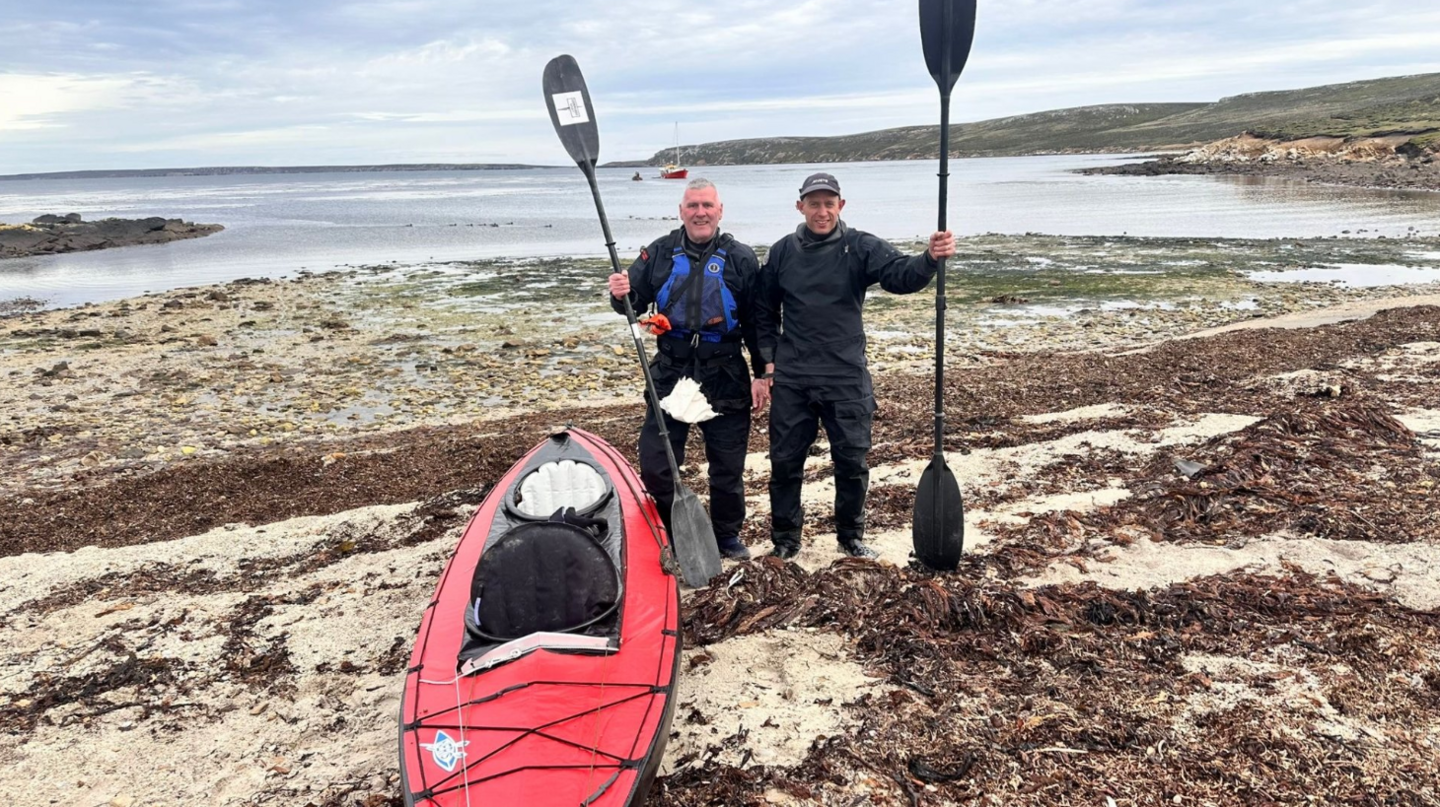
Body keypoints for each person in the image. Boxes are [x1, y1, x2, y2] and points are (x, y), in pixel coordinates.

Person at [755, 172, 955, 560]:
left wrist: (930, 258)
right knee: (784, 462)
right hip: (794, 376)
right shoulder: (781, 252)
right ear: (800, 207)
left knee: (851, 461)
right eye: (814, 203)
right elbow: (763, 310)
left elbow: (900, 276)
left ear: (841, 206)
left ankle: (850, 535)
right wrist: (767, 366)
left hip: (845, 373)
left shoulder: (860, 246)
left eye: (829, 203)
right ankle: (785, 538)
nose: (822, 211)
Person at [607, 178, 769, 560]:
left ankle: (726, 536)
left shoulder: (741, 258)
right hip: (670, 370)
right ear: (681, 211)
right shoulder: (659, 254)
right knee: (657, 466)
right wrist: (619, 294)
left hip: (726, 371)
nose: (700, 212)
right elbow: (630, 303)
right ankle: (672, 530)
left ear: (720, 210)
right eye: (693, 205)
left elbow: (759, 320)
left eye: (707, 205)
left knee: (727, 469)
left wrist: (763, 373)